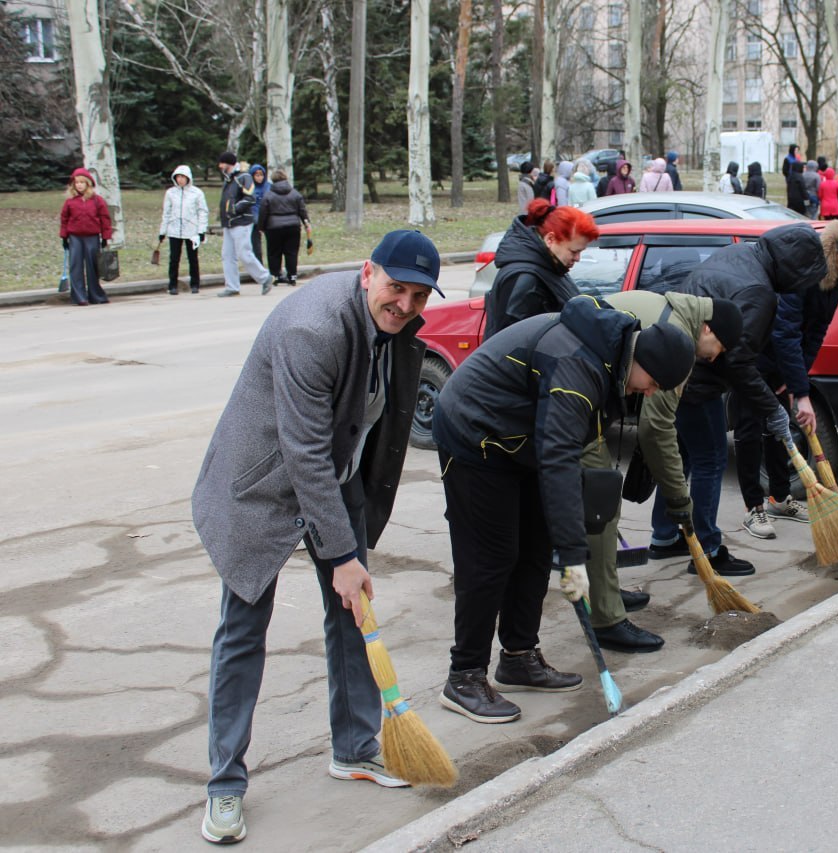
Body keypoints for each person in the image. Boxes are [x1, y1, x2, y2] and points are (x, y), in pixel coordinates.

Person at [191, 229, 442, 844]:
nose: (405, 305)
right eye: (395, 288)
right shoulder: (315, 328)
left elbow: (367, 423)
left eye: (417, 295)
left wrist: (349, 552)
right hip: (261, 488)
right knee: (244, 630)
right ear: (367, 273)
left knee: (353, 615)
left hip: (334, 480)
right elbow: (302, 451)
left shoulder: (395, 327)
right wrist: (340, 554)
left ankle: (354, 749)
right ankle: (225, 786)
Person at [431, 297, 695, 722]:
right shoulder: (578, 368)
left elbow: (561, 453)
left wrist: (565, 546)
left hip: (520, 440)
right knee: (492, 558)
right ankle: (464, 676)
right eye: (654, 383)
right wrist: (574, 555)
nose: (650, 393)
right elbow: (559, 459)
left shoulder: (613, 357)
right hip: (474, 434)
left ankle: (518, 657)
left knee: (535, 549)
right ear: (642, 359)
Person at [648, 224, 828, 576]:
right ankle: (709, 547)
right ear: (794, 266)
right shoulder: (758, 290)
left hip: (675, 369)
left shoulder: (740, 255)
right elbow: (739, 361)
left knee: (683, 457)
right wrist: (773, 410)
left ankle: (665, 535)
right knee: (710, 460)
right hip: (698, 381)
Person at [584, 290, 743, 651]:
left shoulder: (669, 310)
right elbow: (655, 429)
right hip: (575, 395)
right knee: (599, 505)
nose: (716, 356)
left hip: (587, 395)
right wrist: (678, 498)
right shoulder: (678, 342)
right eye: (719, 344)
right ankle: (606, 619)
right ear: (705, 327)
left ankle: (606, 591)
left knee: (601, 500)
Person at [738, 222, 838, 540]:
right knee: (749, 428)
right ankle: (753, 507)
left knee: (778, 427)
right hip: (752, 352)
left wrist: (795, 377)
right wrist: (801, 393)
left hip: (780, 359)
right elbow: (785, 331)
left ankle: (778, 499)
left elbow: (817, 331)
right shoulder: (805, 271)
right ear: (834, 252)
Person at [483, 199, 600, 338]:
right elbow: (513, 343)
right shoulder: (525, 278)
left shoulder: (550, 266)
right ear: (550, 239)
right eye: (574, 251)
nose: (578, 258)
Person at [215, 152, 274, 297]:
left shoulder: (244, 177)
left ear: (228, 164)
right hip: (229, 222)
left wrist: (234, 209)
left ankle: (264, 277)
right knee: (227, 255)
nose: (220, 166)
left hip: (241, 221)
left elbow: (250, 197)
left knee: (244, 253)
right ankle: (232, 286)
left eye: (222, 163)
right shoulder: (229, 179)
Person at [59, 167, 113, 306]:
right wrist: (64, 237)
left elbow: (105, 219)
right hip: (75, 237)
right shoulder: (70, 202)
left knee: (92, 266)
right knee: (75, 266)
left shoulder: (97, 200)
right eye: (77, 183)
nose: (79, 185)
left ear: (88, 184)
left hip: (92, 236)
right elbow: (64, 219)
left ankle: (96, 295)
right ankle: (79, 296)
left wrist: (105, 237)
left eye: (82, 182)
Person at [158, 165, 209, 295]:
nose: (180, 179)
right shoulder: (170, 193)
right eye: (178, 177)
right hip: (174, 230)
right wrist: (162, 231)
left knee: (193, 258)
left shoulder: (196, 193)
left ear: (188, 178)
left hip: (191, 231)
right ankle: (172, 285)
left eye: (183, 177)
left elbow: (202, 212)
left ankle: (195, 284)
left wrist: (201, 230)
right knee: (174, 258)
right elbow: (167, 213)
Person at [257, 168, 311, 286]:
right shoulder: (295, 193)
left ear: (272, 180)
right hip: (293, 226)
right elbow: (302, 210)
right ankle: (292, 275)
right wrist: (306, 223)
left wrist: (261, 227)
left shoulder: (268, 195)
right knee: (291, 252)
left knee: (273, 252)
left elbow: (263, 213)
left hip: (273, 227)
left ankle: (276, 275)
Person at [248, 165, 270, 263]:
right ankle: (259, 265)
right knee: (256, 245)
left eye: (261, 175)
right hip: (255, 219)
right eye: (256, 175)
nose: (259, 177)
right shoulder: (249, 187)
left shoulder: (268, 186)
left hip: (268, 219)